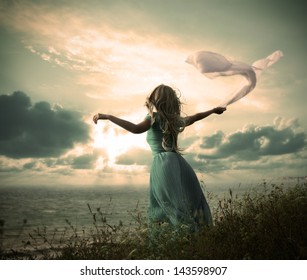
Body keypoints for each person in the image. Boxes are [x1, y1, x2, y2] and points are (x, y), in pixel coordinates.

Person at [93, 84, 226, 229]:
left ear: (155, 100)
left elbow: (136, 129)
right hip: (180, 164)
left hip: (164, 164)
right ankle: (198, 236)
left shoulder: (153, 118)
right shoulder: (175, 120)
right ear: (173, 101)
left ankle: (178, 240)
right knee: (191, 202)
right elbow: (195, 117)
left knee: (168, 205)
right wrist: (213, 111)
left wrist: (108, 116)